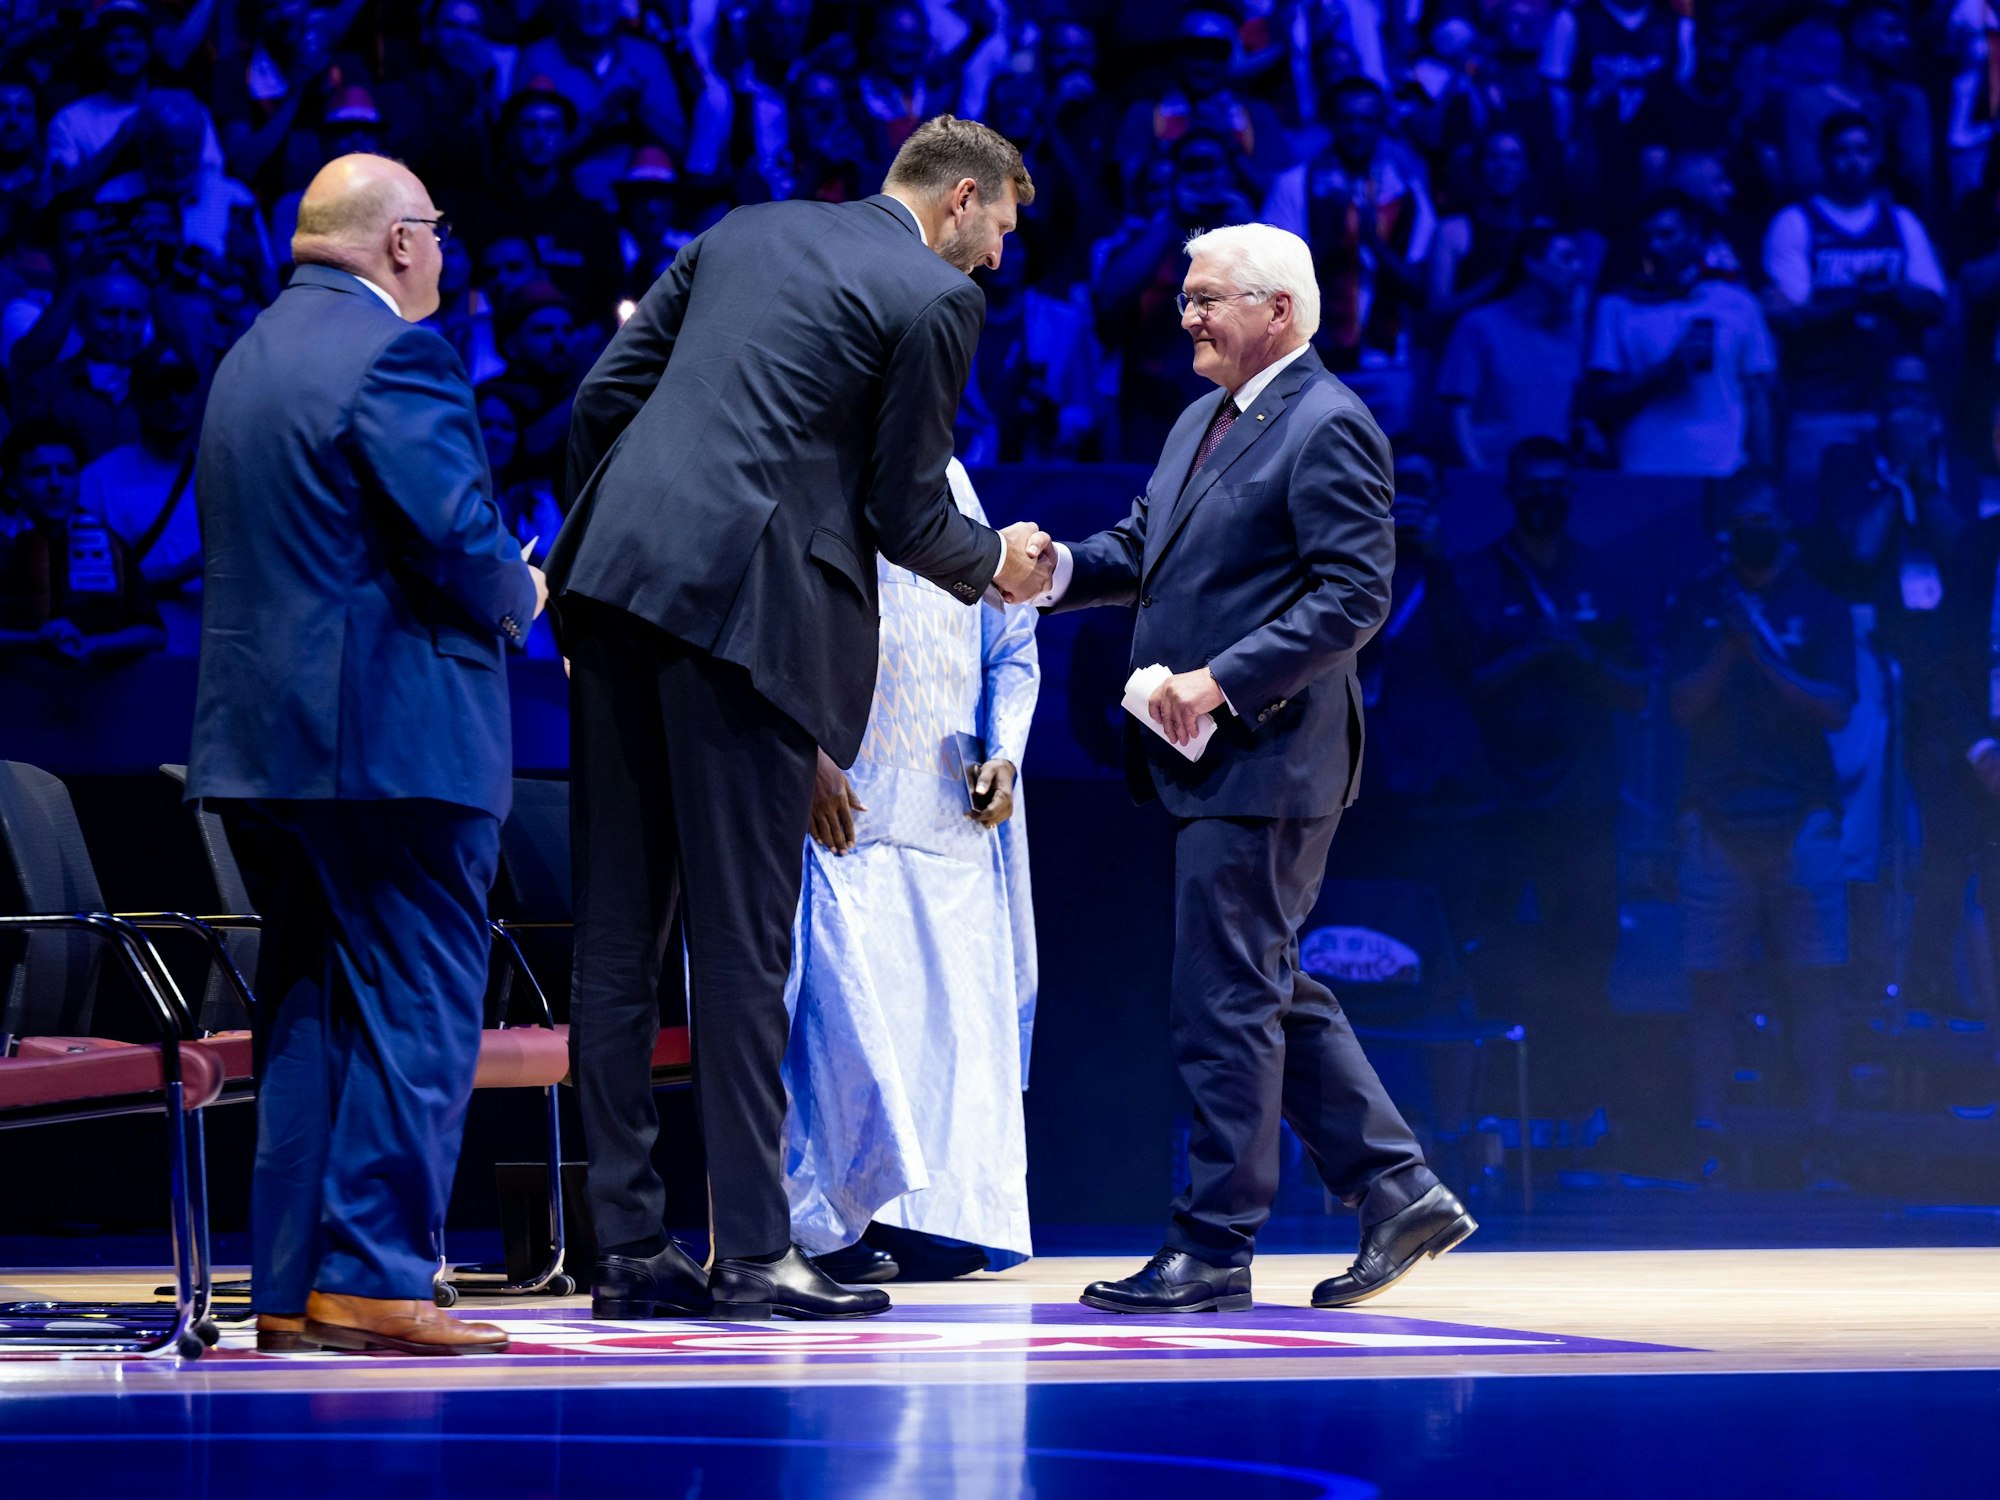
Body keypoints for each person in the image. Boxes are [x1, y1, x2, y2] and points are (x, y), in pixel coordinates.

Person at [547, 115, 1049, 1324]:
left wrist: (603, 559)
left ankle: (623, 1249)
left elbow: (599, 398)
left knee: (616, 936)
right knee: (740, 944)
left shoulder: (743, 228)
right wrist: (1000, 566)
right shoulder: (935, 300)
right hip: (751, 625)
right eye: (997, 235)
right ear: (961, 198)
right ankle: (753, 1252)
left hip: (612, 592)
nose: (993, 263)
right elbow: (903, 511)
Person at [1037, 223, 1473, 1315]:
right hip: (1209, 760)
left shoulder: (1327, 423)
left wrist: (1220, 681)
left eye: (1204, 299)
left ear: (1276, 310)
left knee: (1222, 1000)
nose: (1183, 316)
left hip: (1267, 755)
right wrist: (1047, 572)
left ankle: (1213, 1244)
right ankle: (1396, 1189)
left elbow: (1350, 599)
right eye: (1182, 299)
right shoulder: (1201, 417)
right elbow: (1137, 550)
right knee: (1256, 984)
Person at [187, 153, 543, 1356]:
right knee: (419, 1006)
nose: (442, 254)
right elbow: (454, 534)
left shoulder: (248, 357)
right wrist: (521, 589)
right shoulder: (398, 354)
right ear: (398, 242)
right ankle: (376, 1277)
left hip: (274, 749)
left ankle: (290, 1287)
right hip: (393, 745)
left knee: (310, 1012)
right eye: (435, 232)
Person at [786, 456, 1039, 1284]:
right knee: (847, 1031)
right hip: (853, 808)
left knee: (950, 1037)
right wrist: (808, 756)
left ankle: (936, 1218)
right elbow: (777, 621)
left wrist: (1005, 751)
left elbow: (1011, 641)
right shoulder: (820, 464)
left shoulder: (956, 484)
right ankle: (828, 1227)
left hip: (949, 815)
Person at [1446, 437, 1647, 1112]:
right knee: (1494, 958)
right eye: (1533, 485)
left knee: (1586, 957)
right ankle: (1497, 1113)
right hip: (1500, 805)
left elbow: (1638, 691)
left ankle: (1579, 1114)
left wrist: (1581, 656)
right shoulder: (1476, 577)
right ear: (1510, 492)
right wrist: (1536, 651)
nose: (1545, 496)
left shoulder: (1604, 576)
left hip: (1583, 807)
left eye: (1558, 485)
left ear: (1572, 493)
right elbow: (1462, 684)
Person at [1665, 473, 1855, 1171]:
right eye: (1743, 518)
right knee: (1711, 985)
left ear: (1785, 524)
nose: (1755, 527)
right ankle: (1709, 1133)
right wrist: (1727, 648)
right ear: (1727, 530)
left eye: (1766, 516)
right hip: (1715, 818)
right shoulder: (1698, 604)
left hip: (1802, 817)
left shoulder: (1821, 606)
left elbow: (1837, 706)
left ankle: (1824, 1135)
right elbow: (1682, 706)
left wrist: (1764, 657)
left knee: (1817, 982)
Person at [1763, 110, 1945, 487]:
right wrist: (1862, 295)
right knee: (1812, 524)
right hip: (1819, 409)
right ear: (1823, 157)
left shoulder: (1901, 222)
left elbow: (1934, 304)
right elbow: (1792, 318)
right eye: (1841, 151)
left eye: (1862, 150)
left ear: (1876, 156)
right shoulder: (1795, 223)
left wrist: (1890, 291)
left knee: (1906, 523)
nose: (1852, 162)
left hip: (1897, 409)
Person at [1585, 189, 1775, 476]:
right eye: (1646, 237)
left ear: (1695, 237)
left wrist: (1763, 474)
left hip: (1722, 470)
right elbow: (1600, 398)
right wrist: (1663, 372)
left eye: (1666, 234)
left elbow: (1759, 395)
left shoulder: (1738, 303)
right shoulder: (1616, 307)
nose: (1655, 246)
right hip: (1642, 472)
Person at [0, 420, 163, 670]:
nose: (55, 484)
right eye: (39, 472)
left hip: (94, 700)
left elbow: (153, 633)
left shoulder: (109, 544)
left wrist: (88, 644)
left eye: (66, 471)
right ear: (12, 487)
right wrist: (36, 641)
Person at [79, 341, 204, 653]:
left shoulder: (227, 475)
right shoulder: (99, 481)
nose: (172, 401)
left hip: (212, 656)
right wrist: (181, 571)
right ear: (137, 397)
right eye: (159, 389)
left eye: (182, 387)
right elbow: (85, 585)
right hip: (135, 657)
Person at [1436, 224, 1587, 470]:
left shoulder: (1571, 333)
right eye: (1567, 258)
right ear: (1532, 263)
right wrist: (1478, 473)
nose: (1579, 269)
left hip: (1551, 483)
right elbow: (1456, 411)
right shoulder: (1479, 325)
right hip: (1494, 478)